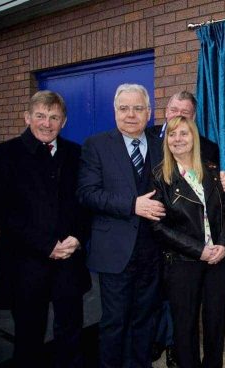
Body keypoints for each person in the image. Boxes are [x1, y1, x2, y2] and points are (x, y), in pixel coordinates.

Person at [0, 90, 91, 367]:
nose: (47, 123)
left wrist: (78, 238)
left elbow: (86, 202)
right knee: (29, 339)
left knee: (71, 334)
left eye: (54, 117)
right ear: (27, 117)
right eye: (41, 116)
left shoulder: (76, 154)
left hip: (69, 262)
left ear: (64, 121)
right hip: (26, 265)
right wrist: (47, 246)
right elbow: (2, 212)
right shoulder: (3, 155)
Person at [77, 83, 165, 367]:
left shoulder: (161, 144)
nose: (131, 114)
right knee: (114, 322)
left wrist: (218, 174)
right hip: (115, 251)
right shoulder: (96, 145)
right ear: (114, 111)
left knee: (145, 320)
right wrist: (132, 205)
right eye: (124, 108)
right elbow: (87, 193)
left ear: (149, 112)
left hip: (153, 252)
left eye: (138, 108)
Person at [150, 90, 225, 367]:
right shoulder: (160, 177)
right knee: (184, 330)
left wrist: (223, 245)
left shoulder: (210, 169)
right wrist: (200, 251)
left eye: (184, 132)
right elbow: (159, 228)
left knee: (215, 325)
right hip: (183, 263)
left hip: (219, 262)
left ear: (194, 134)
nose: (178, 139)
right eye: (172, 135)